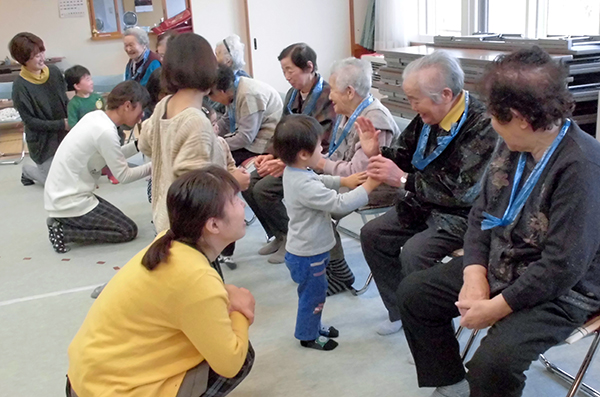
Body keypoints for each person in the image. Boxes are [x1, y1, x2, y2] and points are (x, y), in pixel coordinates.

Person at [397, 46, 600, 397]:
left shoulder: (581, 166)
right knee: (415, 294)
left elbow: (562, 266)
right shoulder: (514, 143)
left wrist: (495, 308)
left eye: (496, 115)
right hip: (506, 261)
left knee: (494, 364)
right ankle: (450, 383)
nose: (491, 123)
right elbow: (482, 213)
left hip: (564, 289)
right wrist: (474, 272)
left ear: (521, 117)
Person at [66, 166, 255, 397]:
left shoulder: (168, 243)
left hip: (86, 379)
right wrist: (241, 311)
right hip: (113, 391)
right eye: (235, 200)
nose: (243, 204)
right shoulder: (196, 277)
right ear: (213, 225)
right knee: (241, 354)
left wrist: (226, 296)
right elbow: (229, 364)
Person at [358, 50, 497, 336]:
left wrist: (404, 179)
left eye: (414, 99)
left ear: (445, 94)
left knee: (414, 253)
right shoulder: (428, 115)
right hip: (423, 204)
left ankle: (429, 334)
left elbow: (463, 191)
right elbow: (406, 154)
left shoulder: (483, 123)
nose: (411, 107)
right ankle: (400, 312)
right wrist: (378, 152)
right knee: (373, 234)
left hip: (462, 216)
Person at [273, 114, 381, 351]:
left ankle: (313, 324)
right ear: (303, 153)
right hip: (308, 254)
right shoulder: (303, 184)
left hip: (308, 251)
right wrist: (368, 187)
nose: (322, 147)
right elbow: (339, 205)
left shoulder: (297, 172)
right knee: (313, 297)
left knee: (315, 295)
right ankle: (307, 335)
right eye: (319, 145)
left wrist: (344, 180)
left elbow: (320, 180)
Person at [139, 33, 250, 238]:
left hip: (165, 214)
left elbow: (145, 144)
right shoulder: (196, 121)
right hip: (189, 227)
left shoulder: (164, 104)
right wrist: (233, 181)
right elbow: (197, 189)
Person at [309, 57, 401, 295]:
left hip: (378, 186)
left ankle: (339, 273)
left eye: (333, 91)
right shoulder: (346, 113)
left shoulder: (374, 118)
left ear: (349, 92)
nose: (329, 97)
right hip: (350, 182)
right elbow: (338, 155)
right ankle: (329, 268)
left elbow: (358, 174)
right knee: (306, 193)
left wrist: (320, 163)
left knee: (317, 206)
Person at [242, 43, 336, 264]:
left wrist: (285, 162)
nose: (286, 76)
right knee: (248, 181)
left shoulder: (327, 96)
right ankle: (278, 234)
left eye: (289, 70)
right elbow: (282, 130)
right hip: (292, 159)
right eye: (283, 70)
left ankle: (292, 240)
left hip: (312, 163)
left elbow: (318, 142)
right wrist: (269, 155)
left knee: (264, 189)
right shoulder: (293, 94)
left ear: (309, 66)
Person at [44, 81, 151, 253]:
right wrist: (155, 165)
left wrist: (138, 145)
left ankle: (63, 222)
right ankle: (63, 231)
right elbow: (124, 176)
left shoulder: (96, 118)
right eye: (140, 110)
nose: (142, 115)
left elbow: (112, 156)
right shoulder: (106, 132)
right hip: (69, 201)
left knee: (122, 224)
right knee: (128, 231)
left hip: (65, 194)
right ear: (127, 106)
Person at [9, 32, 69, 186]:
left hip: (65, 133)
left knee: (80, 172)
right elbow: (30, 122)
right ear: (23, 60)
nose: (42, 57)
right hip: (43, 142)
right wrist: (62, 124)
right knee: (55, 182)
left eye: (42, 51)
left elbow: (64, 101)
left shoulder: (54, 72)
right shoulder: (20, 86)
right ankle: (28, 171)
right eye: (36, 55)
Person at [209, 64, 283, 165]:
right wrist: (209, 136)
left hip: (264, 144)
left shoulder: (248, 95)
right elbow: (226, 121)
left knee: (217, 160)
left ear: (222, 92)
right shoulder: (233, 89)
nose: (210, 99)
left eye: (211, 94)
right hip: (251, 138)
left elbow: (245, 137)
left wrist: (216, 144)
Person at [64, 65, 118, 185]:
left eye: (90, 78)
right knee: (86, 158)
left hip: (100, 134)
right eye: (87, 80)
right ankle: (90, 177)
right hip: (85, 138)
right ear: (77, 86)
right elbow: (72, 124)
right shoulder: (74, 104)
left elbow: (105, 115)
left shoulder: (98, 98)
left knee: (108, 149)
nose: (91, 82)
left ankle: (110, 171)